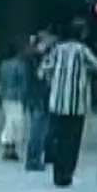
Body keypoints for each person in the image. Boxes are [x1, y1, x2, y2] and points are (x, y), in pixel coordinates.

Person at [41, 17, 97, 187]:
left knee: (59, 137)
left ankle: (57, 172)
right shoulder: (82, 51)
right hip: (76, 105)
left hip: (57, 102)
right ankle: (66, 174)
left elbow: (43, 71)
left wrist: (53, 82)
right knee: (72, 141)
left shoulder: (57, 49)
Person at [24, 27, 57, 172]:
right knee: (38, 130)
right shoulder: (35, 58)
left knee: (41, 129)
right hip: (39, 97)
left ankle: (36, 157)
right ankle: (33, 159)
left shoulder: (34, 57)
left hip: (39, 97)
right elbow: (39, 76)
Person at [0, 42, 29, 161]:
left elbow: (1, 80)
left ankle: (7, 146)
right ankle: (11, 146)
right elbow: (23, 83)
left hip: (5, 96)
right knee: (16, 123)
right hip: (17, 97)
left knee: (9, 121)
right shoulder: (20, 65)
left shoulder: (4, 64)